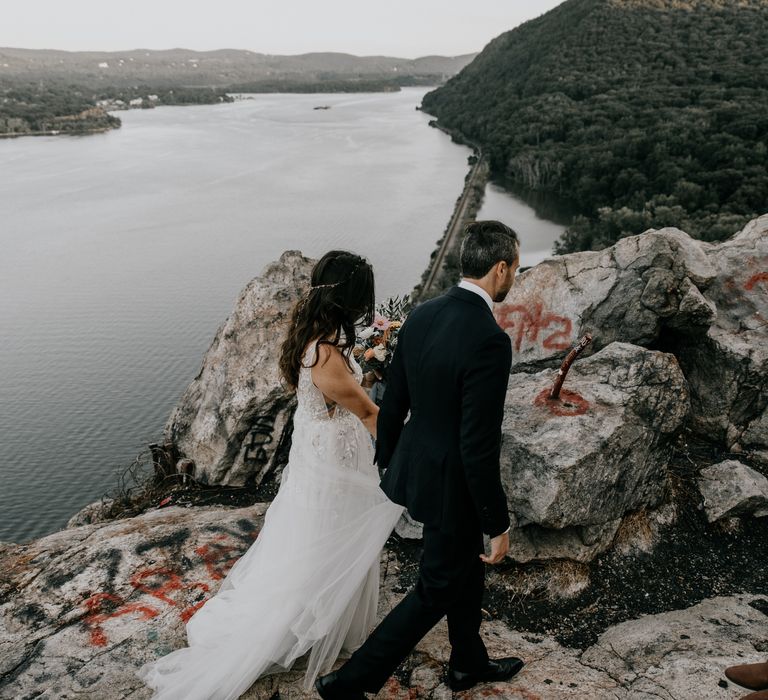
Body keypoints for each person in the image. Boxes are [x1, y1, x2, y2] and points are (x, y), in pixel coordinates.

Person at [136, 251, 404, 699]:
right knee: (330, 534)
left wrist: (371, 365)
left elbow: (349, 393)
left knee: (318, 533)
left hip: (322, 450)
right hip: (333, 459)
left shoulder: (322, 337)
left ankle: (326, 611)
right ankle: (306, 622)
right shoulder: (328, 356)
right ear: (352, 298)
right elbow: (368, 413)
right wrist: (411, 449)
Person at [316, 220, 525, 699]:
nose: (514, 273)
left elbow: (395, 401)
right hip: (457, 484)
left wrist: (390, 459)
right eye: (515, 266)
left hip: (422, 468)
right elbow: (478, 443)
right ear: (499, 269)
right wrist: (497, 521)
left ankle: (467, 663)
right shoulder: (489, 340)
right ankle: (351, 682)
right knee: (436, 586)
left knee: (462, 570)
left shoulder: (424, 314)